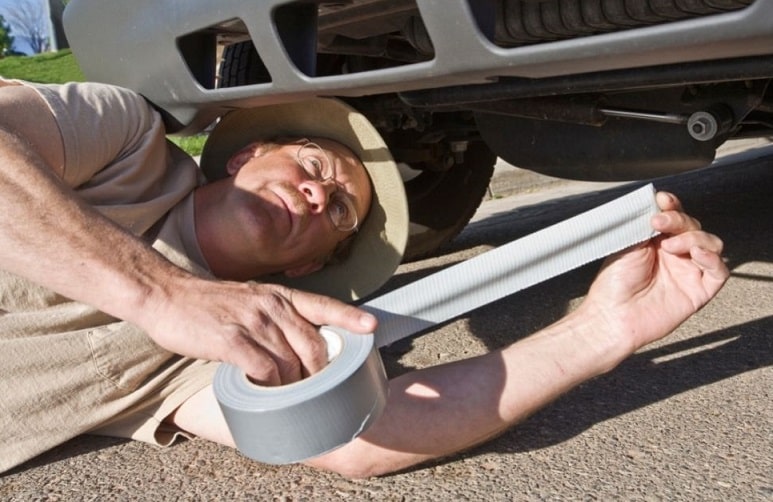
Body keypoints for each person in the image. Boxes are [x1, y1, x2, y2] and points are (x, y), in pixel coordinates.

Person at [0, 78, 728, 478]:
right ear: (246, 154)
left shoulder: (235, 348)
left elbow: (362, 437)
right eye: (313, 166)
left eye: (338, 209)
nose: (319, 193)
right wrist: (159, 292)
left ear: (307, 264)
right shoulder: (124, 139)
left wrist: (607, 327)